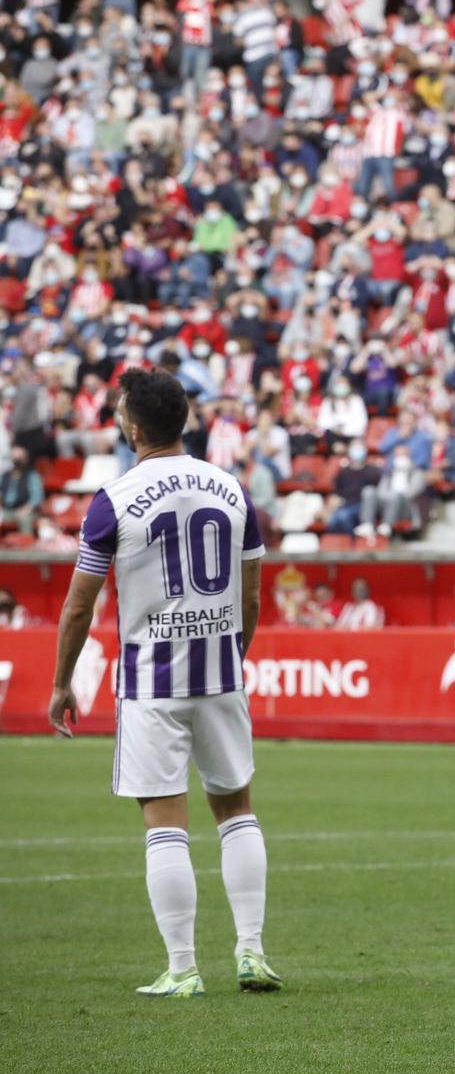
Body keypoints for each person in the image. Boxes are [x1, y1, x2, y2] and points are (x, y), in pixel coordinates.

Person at [45, 368, 281, 997]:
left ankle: (182, 968)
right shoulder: (232, 490)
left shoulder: (114, 499)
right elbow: (252, 596)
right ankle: (252, 952)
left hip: (152, 682)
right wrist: (230, 656)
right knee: (236, 810)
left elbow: (78, 607)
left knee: (164, 822)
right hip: (222, 673)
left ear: (133, 426)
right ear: (186, 421)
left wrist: (63, 682)